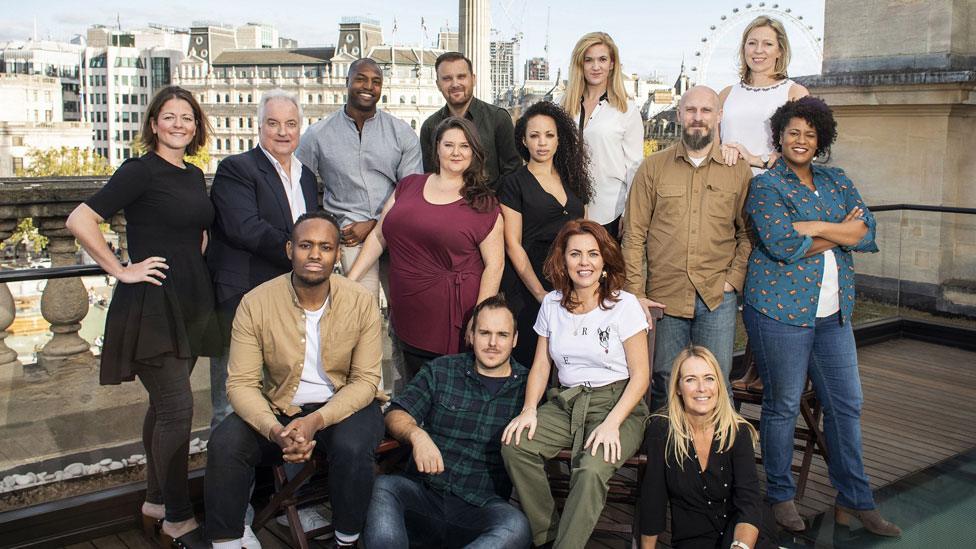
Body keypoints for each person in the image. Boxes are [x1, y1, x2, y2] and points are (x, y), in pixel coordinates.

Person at [66, 86, 219, 545]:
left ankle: (155, 499)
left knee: (164, 407)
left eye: (187, 118)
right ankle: (175, 515)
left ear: (196, 127)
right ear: (153, 124)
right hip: (153, 303)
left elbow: (198, 232)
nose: (178, 124)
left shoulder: (193, 175)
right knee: (178, 409)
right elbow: (80, 219)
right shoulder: (139, 171)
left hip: (191, 300)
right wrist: (121, 270)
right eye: (169, 117)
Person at [742, 96, 900, 537]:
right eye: (793, 132)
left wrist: (811, 227)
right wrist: (839, 230)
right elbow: (779, 244)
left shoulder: (837, 179)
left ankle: (855, 500)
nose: (801, 140)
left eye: (810, 134)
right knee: (783, 405)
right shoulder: (766, 186)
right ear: (779, 136)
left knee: (846, 404)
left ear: (821, 139)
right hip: (779, 311)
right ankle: (780, 495)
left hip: (834, 315)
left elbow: (866, 231)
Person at [204, 212, 387, 549]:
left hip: (343, 405)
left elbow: (365, 381)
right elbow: (241, 384)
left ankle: (346, 539)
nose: (315, 254)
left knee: (352, 446)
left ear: (336, 255)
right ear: (290, 249)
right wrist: (275, 430)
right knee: (225, 443)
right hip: (280, 408)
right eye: (306, 245)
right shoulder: (256, 303)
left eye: (325, 247)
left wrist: (315, 421)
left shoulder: (360, 301)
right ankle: (227, 541)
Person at [206, 89, 322, 544]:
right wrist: (307, 254)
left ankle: (266, 506)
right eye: (273, 123)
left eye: (290, 124)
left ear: (300, 128)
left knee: (283, 400)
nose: (282, 131)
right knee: (229, 410)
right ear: (260, 127)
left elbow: (312, 227)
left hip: (288, 306)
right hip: (242, 301)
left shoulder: (308, 176)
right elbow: (244, 228)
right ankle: (229, 526)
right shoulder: (236, 170)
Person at [501, 220, 650, 549]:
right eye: (576, 254)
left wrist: (612, 424)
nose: (585, 262)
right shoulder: (552, 305)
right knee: (516, 446)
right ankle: (549, 534)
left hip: (618, 404)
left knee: (592, 467)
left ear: (604, 260)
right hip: (565, 403)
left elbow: (641, 376)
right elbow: (541, 365)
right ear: (563, 260)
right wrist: (529, 410)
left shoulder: (623, 305)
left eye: (593, 254)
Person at [363, 295, 532, 548]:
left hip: (482, 507)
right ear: (471, 335)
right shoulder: (442, 371)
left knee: (516, 527)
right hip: (425, 495)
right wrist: (417, 435)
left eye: (503, 335)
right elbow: (396, 414)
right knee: (382, 488)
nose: (493, 343)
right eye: (484, 333)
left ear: (515, 339)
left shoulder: (528, 388)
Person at [621, 86, 753, 412]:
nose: (698, 118)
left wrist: (732, 280)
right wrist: (636, 292)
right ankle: (667, 459)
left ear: (719, 116)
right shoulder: (652, 168)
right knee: (665, 380)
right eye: (690, 110)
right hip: (663, 297)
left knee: (716, 381)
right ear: (679, 115)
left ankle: (719, 460)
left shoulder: (738, 170)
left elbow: (748, 234)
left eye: (706, 111)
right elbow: (634, 235)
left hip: (716, 297)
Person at [347, 116, 504, 378]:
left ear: (474, 152)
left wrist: (480, 319)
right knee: (410, 387)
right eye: (449, 144)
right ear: (436, 148)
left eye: (464, 146)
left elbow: (495, 265)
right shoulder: (408, 185)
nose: (456, 152)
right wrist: (350, 280)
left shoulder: (484, 203)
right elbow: (378, 236)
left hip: (453, 320)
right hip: (406, 314)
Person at [297, 58, 422, 299]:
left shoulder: (402, 133)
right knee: (362, 310)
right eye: (361, 79)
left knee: (406, 309)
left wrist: (375, 223)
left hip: (396, 231)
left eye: (376, 82)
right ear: (347, 82)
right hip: (351, 235)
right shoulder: (317, 135)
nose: (368, 87)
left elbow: (411, 192)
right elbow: (299, 187)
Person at [640, 346, 770, 549]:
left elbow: (749, 503)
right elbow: (652, 500)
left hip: (742, 538)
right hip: (693, 541)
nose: (702, 387)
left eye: (709, 378)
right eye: (690, 379)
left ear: (719, 384)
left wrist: (739, 546)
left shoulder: (738, 432)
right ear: (677, 388)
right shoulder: (661, 430)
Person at [498, 101, 591, 368]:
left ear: (559, 139)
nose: (542, 143)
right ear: (524, 141)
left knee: (572, 357)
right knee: (530, 357)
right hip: (529, 283)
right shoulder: (514, 183)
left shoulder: (573, 180)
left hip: (571, 279)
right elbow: (513, 244)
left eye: (549, 135)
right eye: (534, 135)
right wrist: (540, 294)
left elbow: (584, 232)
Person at [561, 32, 643, 239]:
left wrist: (628, 212)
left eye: (602, 59)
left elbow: (634, 166)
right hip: (566, 207)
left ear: (612, 64)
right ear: (580, 64)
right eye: (589, 60)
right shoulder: (563, 106)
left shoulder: (627, 110)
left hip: (610, 210)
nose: (595, 67)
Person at [719, 16, 809, 174]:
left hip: (772, 191)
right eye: (752, 43)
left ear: (780, 51)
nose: (758, 50)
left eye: (767, 44)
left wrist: (755, 159)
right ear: (744, 48)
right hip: (726, 189)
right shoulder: (726, 94)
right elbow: (709, 144)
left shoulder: (795, 93)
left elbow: (806, 149)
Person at [420, 52, 521, 189]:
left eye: (461, 77)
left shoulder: (498, 118)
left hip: (490, 204)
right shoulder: (430, 126)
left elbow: (512, 173)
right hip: (445, 206)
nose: (455, 84)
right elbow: (431, 176)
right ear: (438, 84)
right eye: (447, 79)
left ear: (473, 79)